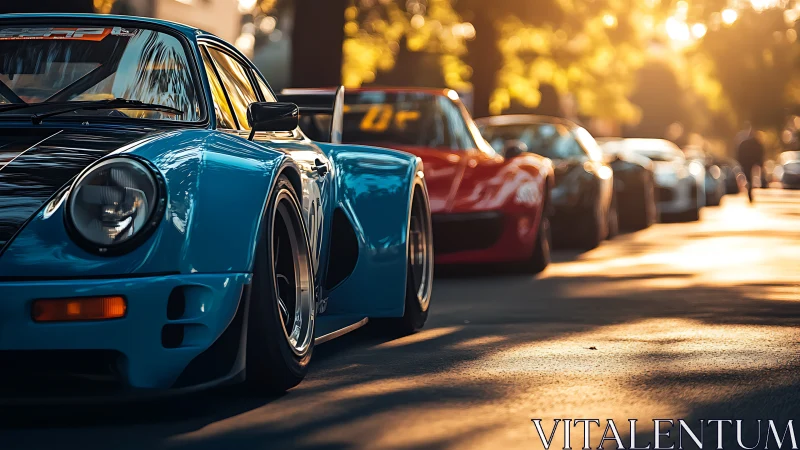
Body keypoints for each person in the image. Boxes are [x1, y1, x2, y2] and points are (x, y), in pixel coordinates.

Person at [736, 124, 765, 203]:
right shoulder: (748, 143)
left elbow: (760, 152)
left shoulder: (748, 142)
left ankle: (750, 188)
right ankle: (749, 188)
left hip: (749, 163)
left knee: (750, 178)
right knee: (749, 178)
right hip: (748, 163)